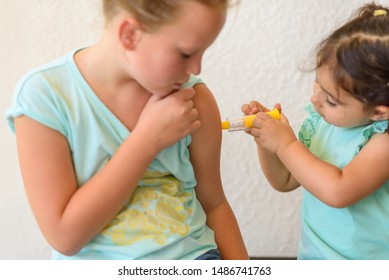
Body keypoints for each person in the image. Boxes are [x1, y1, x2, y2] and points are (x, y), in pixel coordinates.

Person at [5, 0, 248, 260]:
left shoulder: (194, 100)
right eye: (186, 53)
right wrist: (146, 141)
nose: (196, 68)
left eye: (203, 52)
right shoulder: (45, 97)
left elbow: (215, 205)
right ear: (130, 35)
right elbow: (64, 236)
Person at [242, 2, 389, 259]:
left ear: (379, 111)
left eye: (331, 100)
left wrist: (286, 144)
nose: (315, 99)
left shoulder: (382, 142)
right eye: (317, 83)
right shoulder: (325, 123)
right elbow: (284, 180)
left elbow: (338, 190)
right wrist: (268, 141)